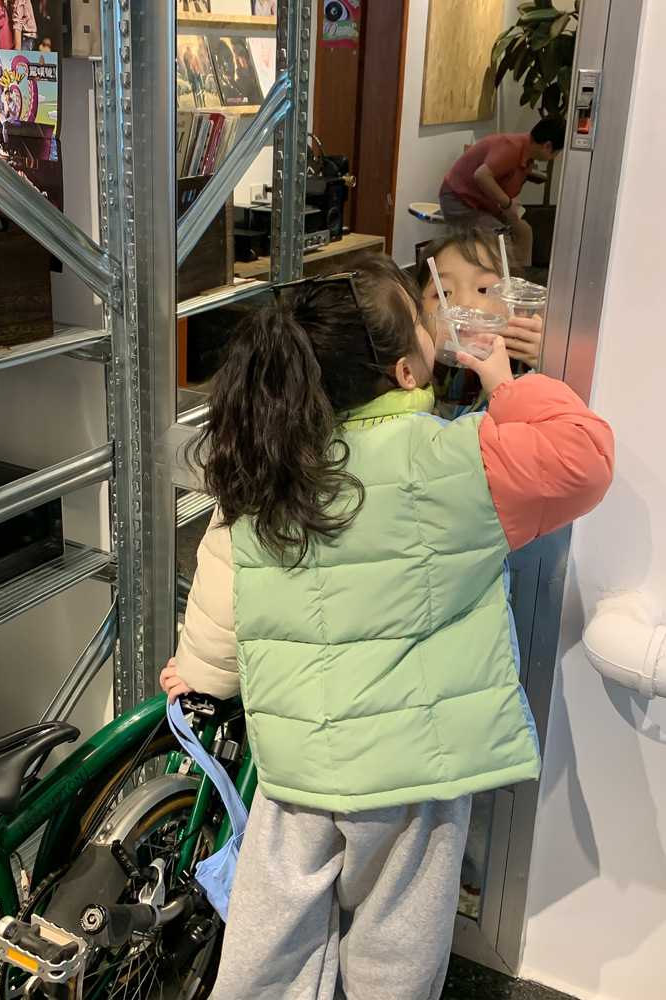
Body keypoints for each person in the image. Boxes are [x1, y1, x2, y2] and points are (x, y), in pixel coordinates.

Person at [161, 253, 614, 1000]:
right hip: (412, 775)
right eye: (422, 316)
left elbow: (221, 579)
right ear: (407, 372)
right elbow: (584, 457)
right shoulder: (458, 459)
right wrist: (506, 381)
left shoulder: (272, 463)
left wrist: (203, 676)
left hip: (296, 764)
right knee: (395, 948)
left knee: (272, 947)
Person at [439, 118, 566, 268]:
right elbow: (481, 175)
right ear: (547, 146)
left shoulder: (526, 154)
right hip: (459, 201)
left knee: (524, 231)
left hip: (483, 204)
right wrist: (507, 203)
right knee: (501, 236)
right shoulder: (512, 147)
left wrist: (508, 203)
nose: (555, 157)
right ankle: (498, 280)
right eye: (557, 152)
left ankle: (520, 278)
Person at [416, 228, 542, 371]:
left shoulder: (533, 374)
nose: (464, 303)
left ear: (519, 312)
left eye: (484, 289)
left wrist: (548, 362)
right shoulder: (408, 376)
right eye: (444, 293)